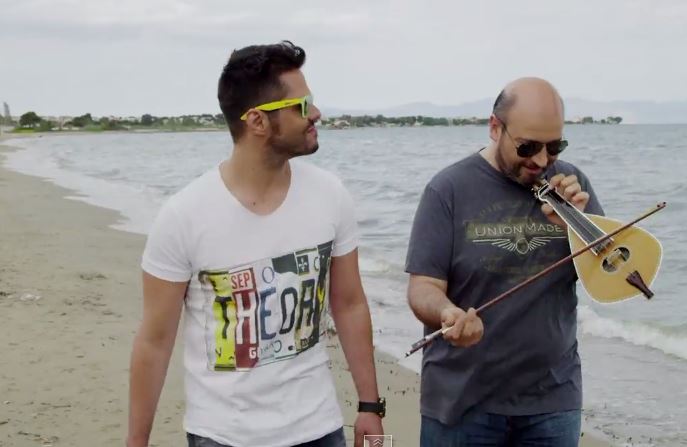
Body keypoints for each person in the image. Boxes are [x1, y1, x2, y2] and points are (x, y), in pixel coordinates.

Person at [127, 41, 385, 447]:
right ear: (257, 121)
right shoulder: (184, 216)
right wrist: (136, 442)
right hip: (223, 434)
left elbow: (350, 303)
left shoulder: (330, 196)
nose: (316, 113)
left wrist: (370, 406)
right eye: (302, 106)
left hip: (318, 428)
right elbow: (154, 341)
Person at [405, 77, 604, 446]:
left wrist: (575, 226)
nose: (541, 160)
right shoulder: (447, 189)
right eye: (527, 147)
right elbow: (423, 287)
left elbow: (608, 278)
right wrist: (447, 313)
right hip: (461, 402)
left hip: (552, 400)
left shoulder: (573, 186)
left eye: (554, 147)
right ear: (495, 128)